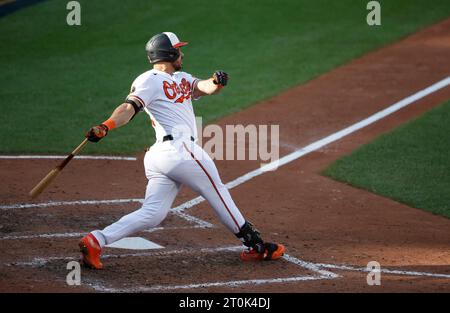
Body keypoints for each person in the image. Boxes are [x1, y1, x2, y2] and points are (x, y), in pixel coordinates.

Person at [79, 32, 285, 269]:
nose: (182, 53)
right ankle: (255, 246)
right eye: (179, 49)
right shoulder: (150, 79)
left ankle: (97, 240)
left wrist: (217, 82)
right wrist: (107, 126)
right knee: (216, 190)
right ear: (169, 53)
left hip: (162, 156)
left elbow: (205, 87)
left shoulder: (182, 79)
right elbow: (129, 108)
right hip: (179, 150)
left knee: (153, 213)